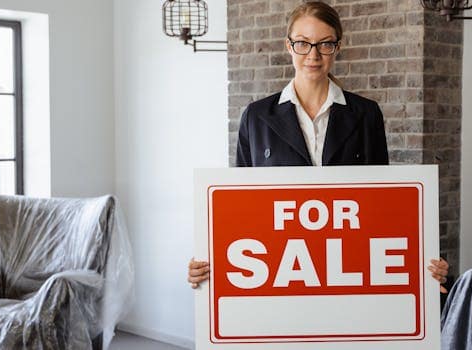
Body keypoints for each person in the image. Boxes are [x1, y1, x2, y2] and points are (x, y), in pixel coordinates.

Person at [188, 1, 449, 293]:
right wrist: (212, 259)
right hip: (279, 266)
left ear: (338, 47)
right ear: (288, 45)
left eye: (325, 44)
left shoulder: (365, 114)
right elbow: (241, 206)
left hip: (347, 263)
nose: (313, 55)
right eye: (303, 43)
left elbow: (382, 204)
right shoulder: (257, 116)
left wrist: (421, 262)